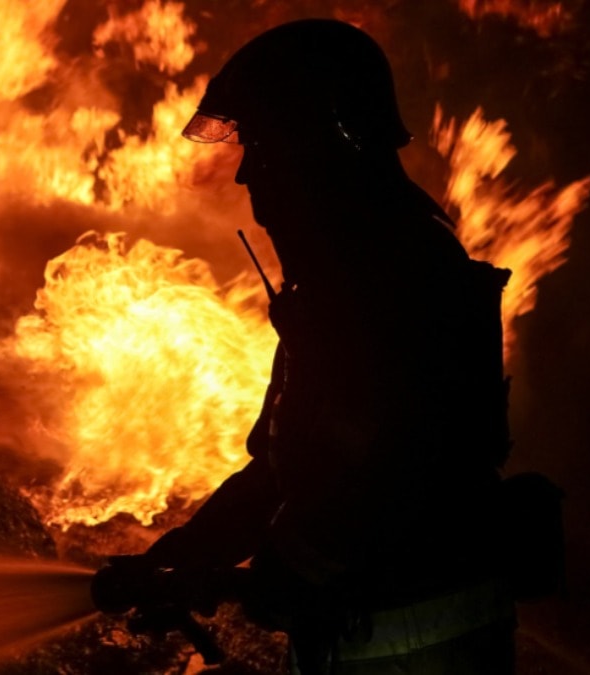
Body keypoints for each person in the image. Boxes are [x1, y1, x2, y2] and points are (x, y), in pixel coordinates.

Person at [139, 19, 518, 674]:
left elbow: (403, 466)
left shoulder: (406, 276)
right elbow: (286, 468)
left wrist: (281, 568)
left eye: (262, 145)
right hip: (361, 640)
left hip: (419, 644)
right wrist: (188, 553)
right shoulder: (332, 286)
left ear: (323, 143)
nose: (248, 173)